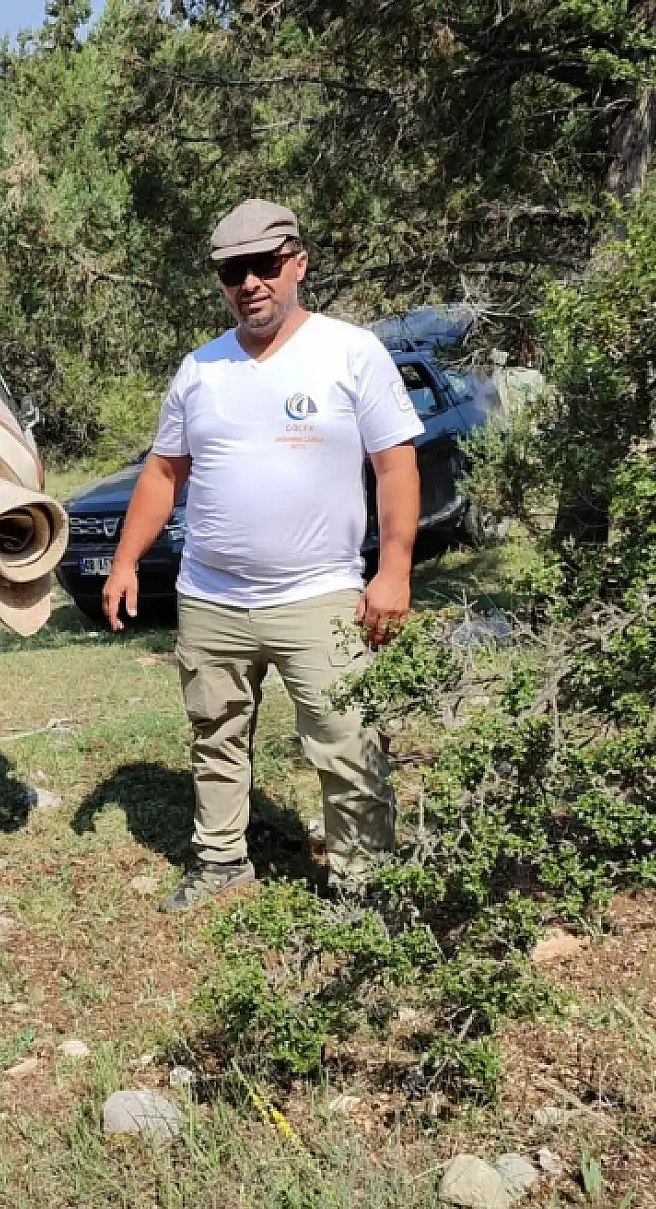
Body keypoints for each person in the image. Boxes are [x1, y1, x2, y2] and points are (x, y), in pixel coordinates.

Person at [103, 200, 422, 911]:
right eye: (231, 271)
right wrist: (126, 561)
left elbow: (395, 464)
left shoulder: (350, 351)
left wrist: (394, 568)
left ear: (298, 264)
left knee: (345, 742)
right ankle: (221, 860)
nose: (249, 283)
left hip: (321, 595)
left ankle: (363, 883)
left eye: (264, 266)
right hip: (212, 597)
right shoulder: (200, 370)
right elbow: (163, 473)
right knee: (215, 733)